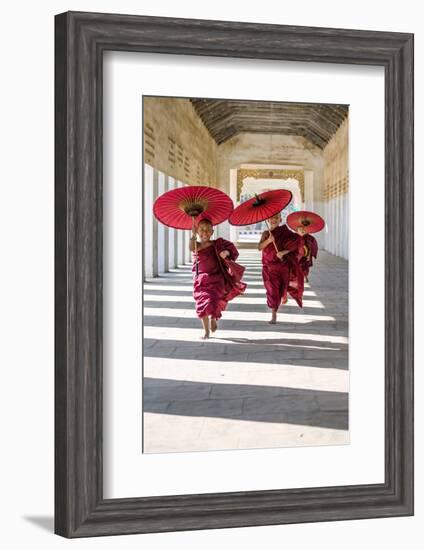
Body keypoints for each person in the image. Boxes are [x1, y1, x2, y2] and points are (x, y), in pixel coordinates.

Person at [190, 218, 246, 339]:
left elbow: (232, 250)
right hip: (201, 280)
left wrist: (225, 252)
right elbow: (191, 247)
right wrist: (192, 235)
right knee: (202, 304)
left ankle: (214, 318)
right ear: (197, 231)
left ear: (212, 232)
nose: (204, 232)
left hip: (216, 278)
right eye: (201, 230)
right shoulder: (197, 245)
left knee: (214, 301)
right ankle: (206, 331)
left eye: (207, 230)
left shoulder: (217, 244)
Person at [258, 213, 304, 324]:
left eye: (276, 218)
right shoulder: (265, 234)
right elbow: (259, 247)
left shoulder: (285, 232)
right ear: (268, 219)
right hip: (269, 267)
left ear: (280, 219)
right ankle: (274, 314)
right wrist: (269, 240)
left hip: (283, 266)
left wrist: (284, 252)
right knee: (272, 291)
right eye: (272, 217)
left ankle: (283, 294)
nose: (274, 219)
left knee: (282, 287)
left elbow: (296, 244)